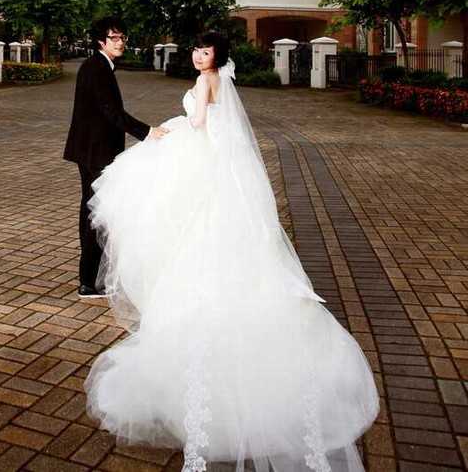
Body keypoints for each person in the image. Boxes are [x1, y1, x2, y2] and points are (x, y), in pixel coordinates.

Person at [85, 31, 379, 472]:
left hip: (201, 153)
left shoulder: (206, 81)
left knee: (182, 222)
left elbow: (201, 123)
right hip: (216, 163)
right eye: (196, 49)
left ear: (216, 57)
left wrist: (173, 128)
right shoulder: (221, 79)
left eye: (205, 51)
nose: (197, 56)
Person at [63, 16, 168, 298]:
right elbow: (111, 111)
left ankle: (90, 278)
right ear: (101, 41)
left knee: (95, 210)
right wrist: (147, 132)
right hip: (95, 151)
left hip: (92, 149)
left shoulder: (100, 66)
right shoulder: (96, 68)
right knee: (96, 212)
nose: (120, 43)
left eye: (123, 37)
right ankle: (88, 282)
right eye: (114, 38)